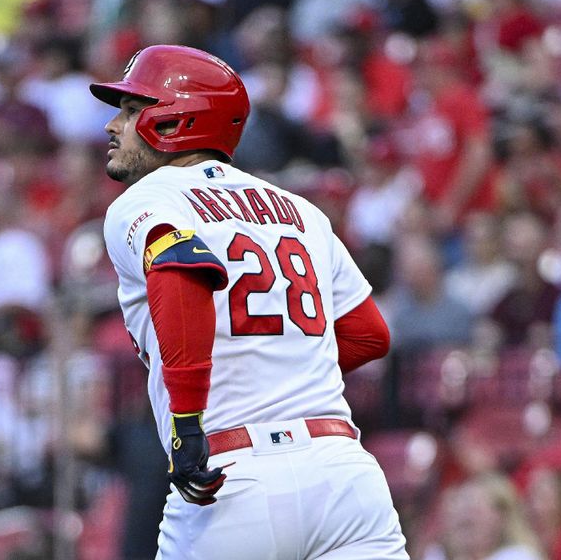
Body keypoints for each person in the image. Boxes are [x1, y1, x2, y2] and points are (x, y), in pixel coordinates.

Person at [90, 44, 408, 559]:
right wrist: (281, 365)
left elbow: (179, 266)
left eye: (131, 110)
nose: (113, 126)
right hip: (343, 471)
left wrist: (188, 421)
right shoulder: (300, 209)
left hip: (234, 475)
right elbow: (369, 333)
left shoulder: (149, 199)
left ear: (176, 120)